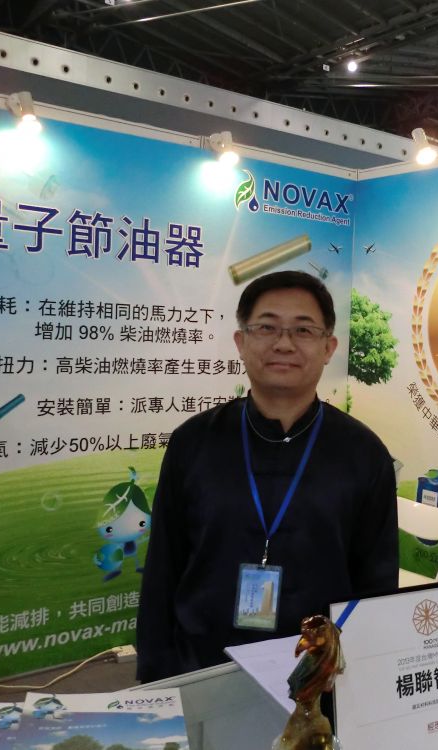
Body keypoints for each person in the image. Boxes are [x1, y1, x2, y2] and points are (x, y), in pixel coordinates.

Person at [136, 270, 399, 683]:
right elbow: (162, 569)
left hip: (320, 677)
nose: (284, 343)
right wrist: (156, 677)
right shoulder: (193, 442)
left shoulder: (364, 454)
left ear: (328, 347)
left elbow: (377, 585)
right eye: (267, 327)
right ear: (241, 342)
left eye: (303, 330)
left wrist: (367, 679)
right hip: (201, 665)